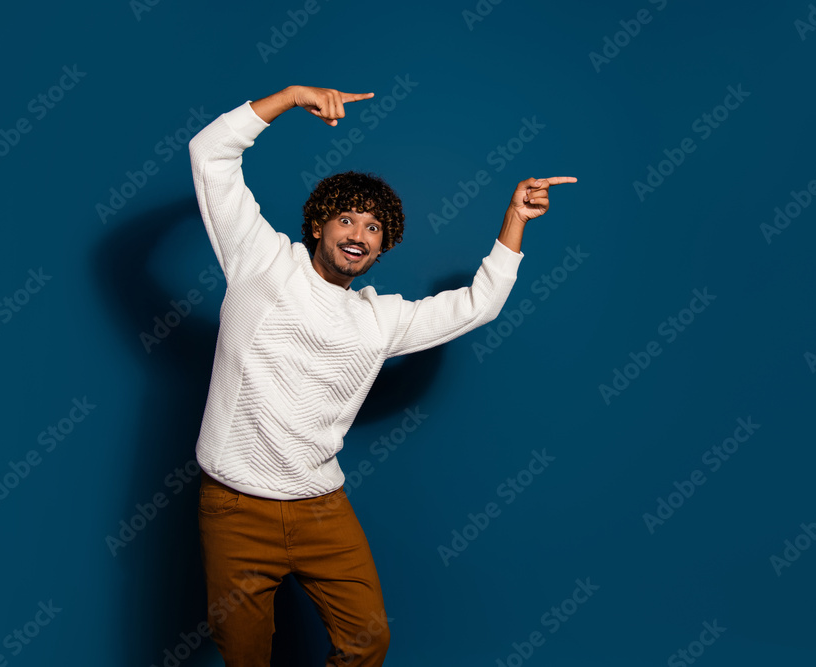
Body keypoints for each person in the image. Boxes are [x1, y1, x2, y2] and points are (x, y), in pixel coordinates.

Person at [189, 84, 575, 666]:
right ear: (319, 223)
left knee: (368, 641)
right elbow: (210, 153)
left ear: (382, 247)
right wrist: (291, 97)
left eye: (372, 229)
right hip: (235, 508)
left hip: (322, 508)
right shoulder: (260, 261)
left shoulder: (379, 319)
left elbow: (477, 305)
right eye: (346, 219)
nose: (356, 234)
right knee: (244, 655)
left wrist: (514, 219)